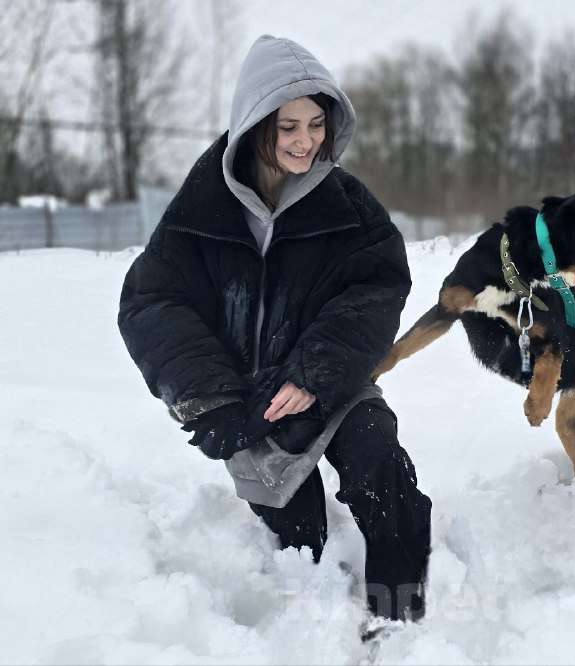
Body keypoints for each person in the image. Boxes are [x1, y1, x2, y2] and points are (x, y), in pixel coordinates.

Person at [117, 35, 431, 632]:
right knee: (296, 535)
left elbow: (377, 288)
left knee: (384, 469)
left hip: (330, 382)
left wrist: (315, 371)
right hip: (246, 399)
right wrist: (209, 397)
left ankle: (398, 621)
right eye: (288, 126)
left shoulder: (349, 205)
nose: (306, 140)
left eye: (316, 123)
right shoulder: (201, 207)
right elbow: (152, 301)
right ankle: (305, 623)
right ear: (255, 124)